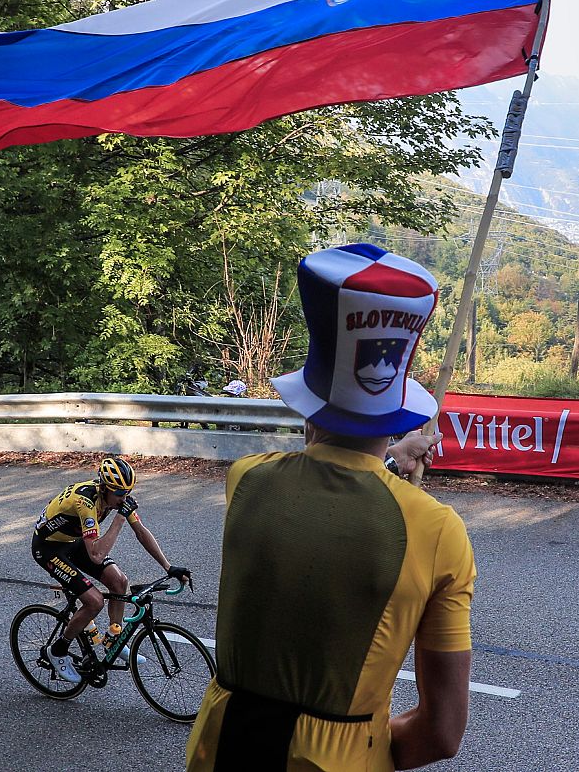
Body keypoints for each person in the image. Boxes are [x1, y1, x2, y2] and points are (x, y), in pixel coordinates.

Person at [186, 244, 475, 772]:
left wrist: (387, 461)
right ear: (396, 417)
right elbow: (441, 733)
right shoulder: (438, 531)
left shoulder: (246, 480)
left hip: (222, 751)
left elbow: (321, 491)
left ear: (307, 402)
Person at [31, 455, 191, 685]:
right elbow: (96, 555)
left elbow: (141, 532)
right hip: (48, 549)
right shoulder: (85, 502)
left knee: (119, 582)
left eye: (127, 493)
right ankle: (57, 651)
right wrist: (119, 519)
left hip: (72, 542)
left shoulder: (116, 498)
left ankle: (113, 638)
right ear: (104, 488)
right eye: (119, 494)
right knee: (94, 601)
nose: (124, 498)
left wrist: (168, 566)